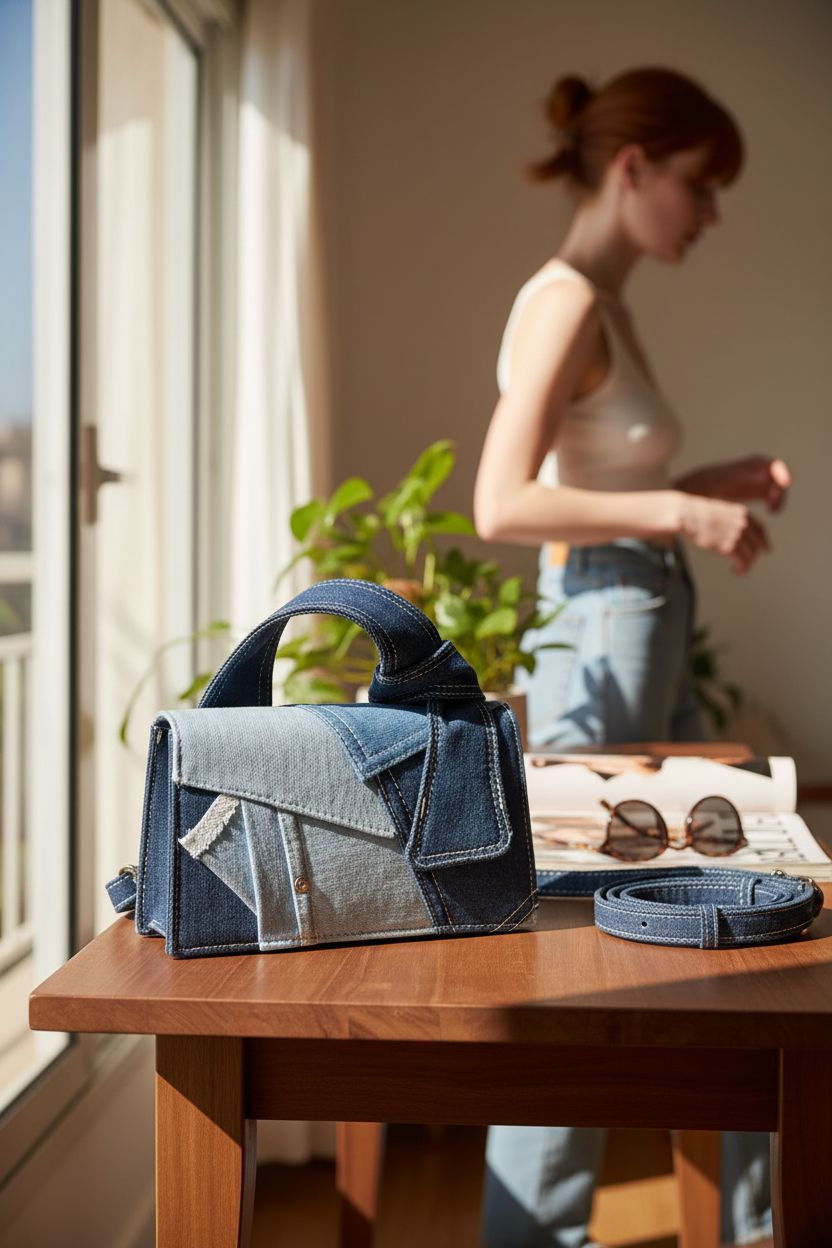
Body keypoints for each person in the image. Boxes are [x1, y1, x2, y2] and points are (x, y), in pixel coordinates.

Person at [473, 68, 786, 1248]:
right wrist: (679, 516)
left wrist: (704, 492)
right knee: (590, 934)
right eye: (701, 187)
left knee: (667, 908)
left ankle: (749, 1215)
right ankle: (536, 1232)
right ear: (632, 168)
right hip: (606, 627)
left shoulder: (602, 299)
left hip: (627, 612)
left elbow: (593, 487)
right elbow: (500, 502)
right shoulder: (564, 300)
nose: (709, 215)